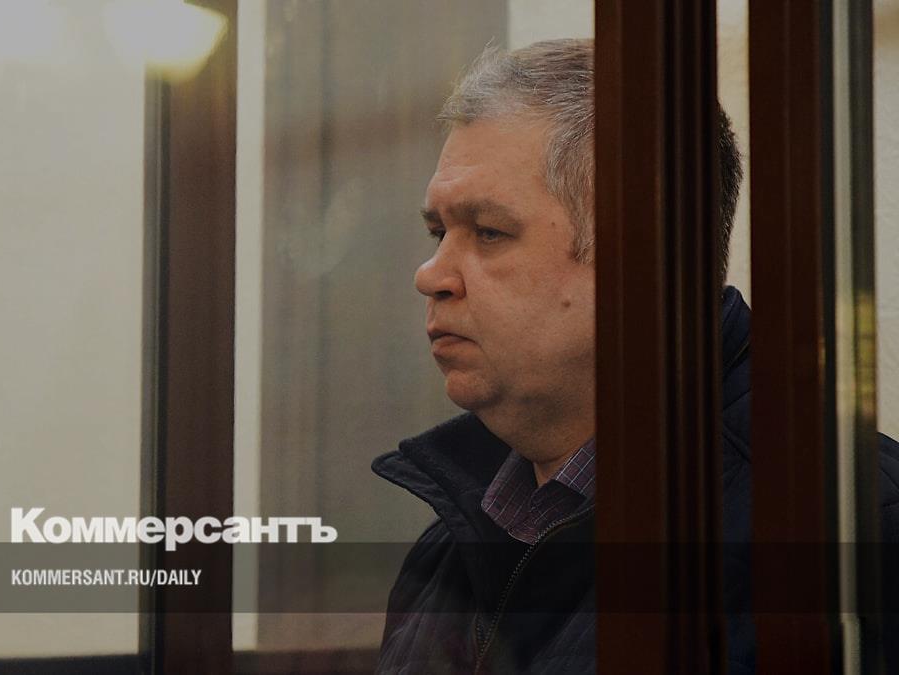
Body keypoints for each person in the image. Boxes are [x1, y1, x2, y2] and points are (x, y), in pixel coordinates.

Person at [371, 38, 899, 674]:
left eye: (488, 232)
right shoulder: (448, 546)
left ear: (647, 255)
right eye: (438, 232)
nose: (430, 274)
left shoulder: (840, 529)